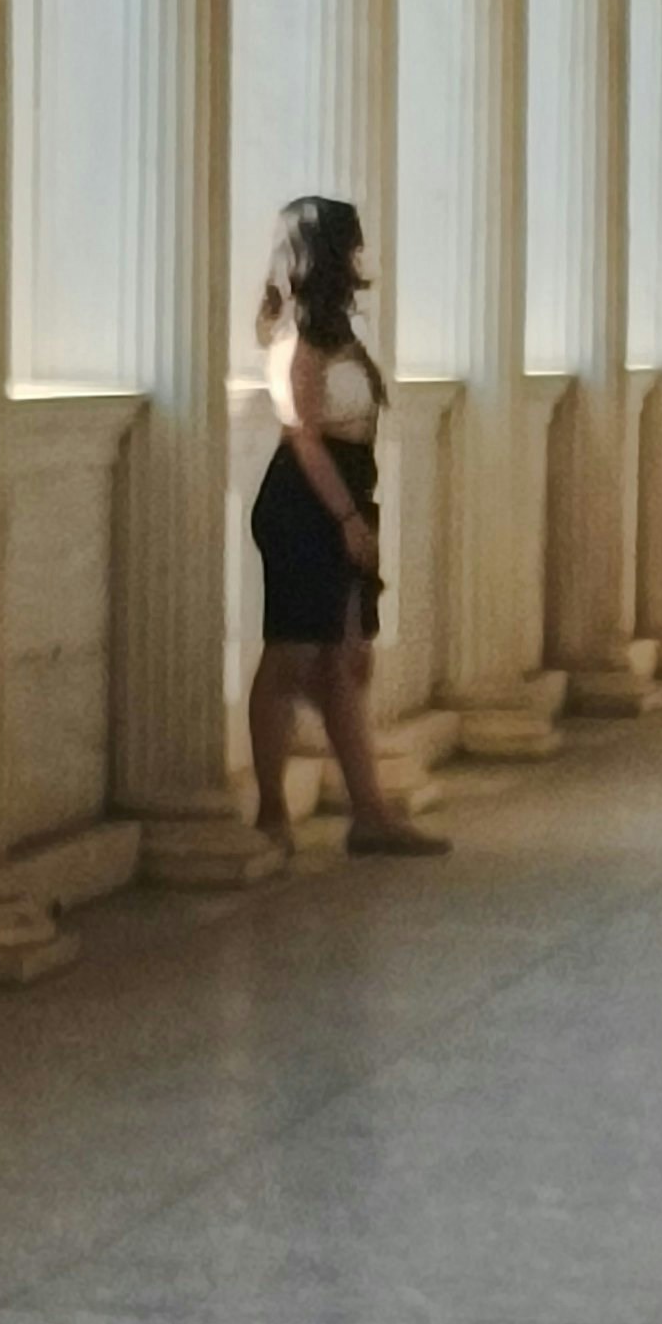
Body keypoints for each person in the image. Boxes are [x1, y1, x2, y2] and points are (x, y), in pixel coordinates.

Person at [246, 196, 448, 858]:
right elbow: (305, 438)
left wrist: (356, 512)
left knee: (345, 658)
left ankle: (371, 813)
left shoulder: (338, 332)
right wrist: (346, 519)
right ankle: (273, 811)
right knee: (291, 653)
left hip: (346, 489)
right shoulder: (296, 336)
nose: (363, 258)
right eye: (353, 246)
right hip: (307, 501)